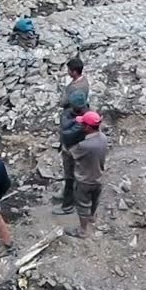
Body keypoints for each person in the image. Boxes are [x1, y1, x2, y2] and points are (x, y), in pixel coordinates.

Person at [54, 56, 92, 215]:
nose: (68, 72)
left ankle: (68, 205)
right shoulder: (85, 83)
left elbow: (62, 103)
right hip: (80, 144)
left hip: (71, 147)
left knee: (69, 174)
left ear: (74, 71)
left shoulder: (72, 91)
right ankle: (76, 197)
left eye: (69, 70)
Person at [67, 111, 109, 238]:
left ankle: (83, 231)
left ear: (88, 127)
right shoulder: (103, 138)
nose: (81, 126)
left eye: (83, 124)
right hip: (99, 177)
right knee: (95, 199)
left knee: (82, 205)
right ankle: (92, 217)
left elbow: (70, 154)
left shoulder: (84, 145)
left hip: (85, 180)